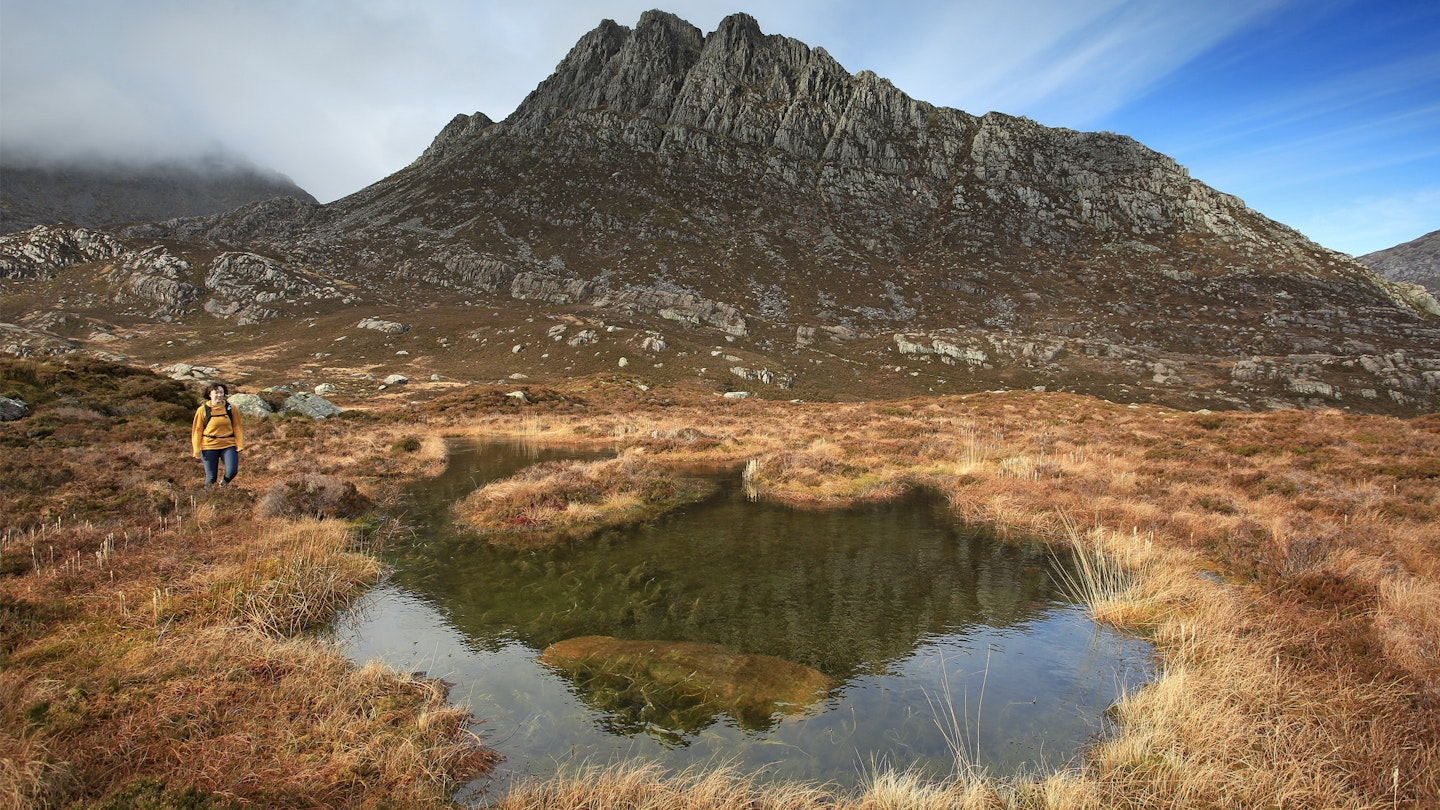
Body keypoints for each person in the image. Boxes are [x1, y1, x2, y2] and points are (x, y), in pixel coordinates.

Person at [191, 382, 243, 486]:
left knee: (232, 471)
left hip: (228, 444)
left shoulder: (231, 408)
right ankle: (209, 497)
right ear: (210, 394)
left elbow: (237, 426)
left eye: (221, 392)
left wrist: (239, 443)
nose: (219, 395)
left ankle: (223, 485)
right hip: (209, 446)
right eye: (216, 392)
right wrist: (196, 449)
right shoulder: (202, 410)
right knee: (211, 477)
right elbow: (197, 430)